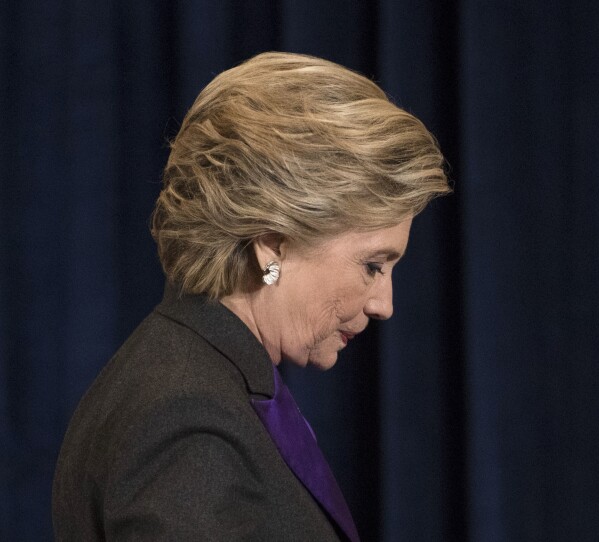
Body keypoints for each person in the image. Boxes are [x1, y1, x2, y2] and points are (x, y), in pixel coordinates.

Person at [52, 52, 450, 541]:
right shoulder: (187, 423)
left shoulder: (203, 383)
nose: (383, 303)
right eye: (372, 266)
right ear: (271, 245)